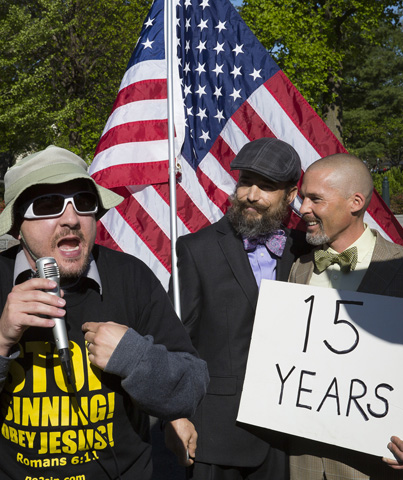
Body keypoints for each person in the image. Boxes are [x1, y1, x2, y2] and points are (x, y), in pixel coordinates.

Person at [0, 145, 209, 480]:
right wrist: (0, 342)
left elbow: (192, 386)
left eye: (84, 202)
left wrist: (136, 358)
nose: (71, 219)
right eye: (49, 205)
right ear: (16, 226)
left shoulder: (131, 276)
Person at [165, 138, 311, 479]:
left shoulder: (306, 251)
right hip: (215, 440)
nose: (251, 194)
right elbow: (176, 343)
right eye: (245, 181)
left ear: (290, 195)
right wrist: (174, 415)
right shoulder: (194, 250)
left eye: (267, 186)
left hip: (292, 440)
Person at [289, 153, 403, 480]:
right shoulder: (299, 268)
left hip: (381, 461)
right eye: (303, 197)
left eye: (315, 199)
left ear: (356, 202)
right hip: (306, 462)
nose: (303, 208)